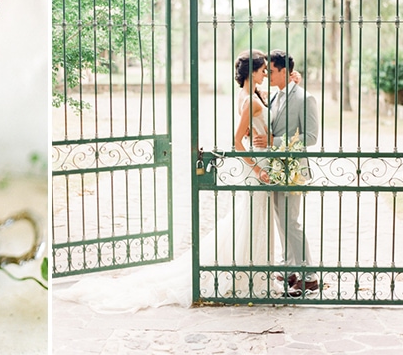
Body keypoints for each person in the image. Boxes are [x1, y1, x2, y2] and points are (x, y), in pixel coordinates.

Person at [54, 50, 277, 311]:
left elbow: (257, 131)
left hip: (262, 162)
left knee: (251, 219)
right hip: (257, 168)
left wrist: (268, 141)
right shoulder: (250, 100)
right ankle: (248, 275)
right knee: (250, 219)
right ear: (252, 72)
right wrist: (258, 169)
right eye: (263, 70)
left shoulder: (251, 96)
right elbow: (238, 142)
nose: (266, 74)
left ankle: (255, 273)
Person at [254, 49, 319, 297]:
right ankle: (291, 268)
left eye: (271, 71)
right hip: (275, 169)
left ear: (285, 71)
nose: (268, 75)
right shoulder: (275, 95)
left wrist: (275, 141)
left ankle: (309, 277)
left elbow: (311, 138)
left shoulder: (305, 99)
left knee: (291, 222)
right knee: (282, 221)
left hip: (294, 170)